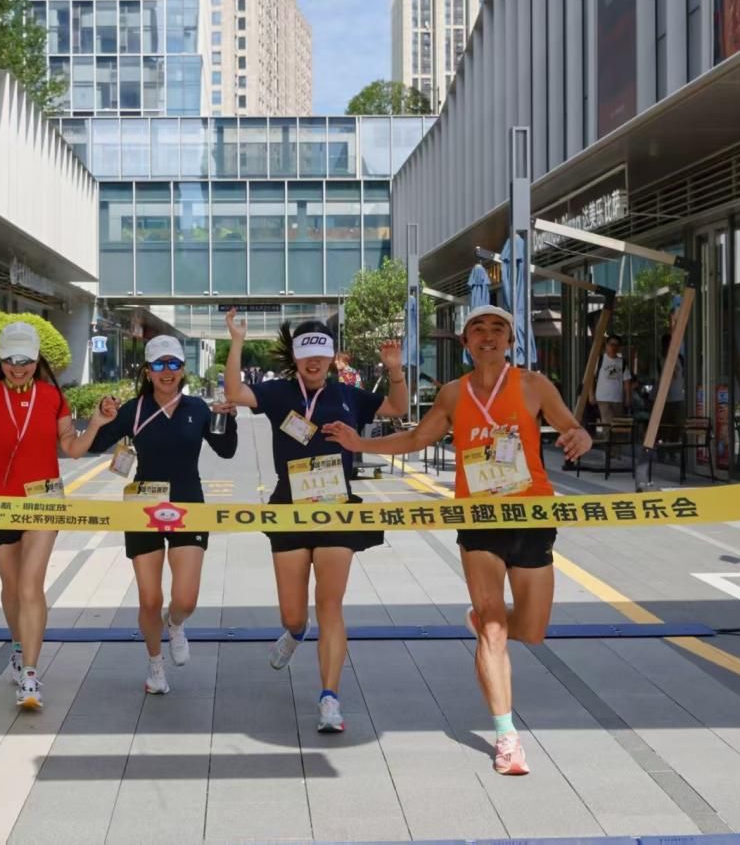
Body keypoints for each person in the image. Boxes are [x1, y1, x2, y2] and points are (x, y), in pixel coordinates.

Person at [323, 305, 591, 775]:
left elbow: (571, 427)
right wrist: (361, 445)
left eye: (497, 329)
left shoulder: (534, 385)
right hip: (478, 517)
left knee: (532, 631)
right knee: (493, 629)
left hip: (531, 516)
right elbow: (416, 439)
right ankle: (507, 736)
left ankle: (485, 621)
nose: (488, 336)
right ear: (465, 342)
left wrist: (580, 438)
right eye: (478, 329)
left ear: (510, 340)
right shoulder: (453, 393)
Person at [222, 309, 406, 733]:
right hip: (288, 509)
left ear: (331, 357)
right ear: (296, 357)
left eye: (321, 352)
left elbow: (397, 407)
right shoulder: (278, 393)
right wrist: (236, 342)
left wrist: (395, 370)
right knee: (293, 614)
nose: (314, 360)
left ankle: (329, 697)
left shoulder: (348, 395)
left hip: (336, 510)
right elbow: (234, 391)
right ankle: (294, 634)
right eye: (306, 352)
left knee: (330, 604)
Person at [0, 322, 119, 710]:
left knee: (31, 586)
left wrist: (96, 423)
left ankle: (30, 674)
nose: (17, 367)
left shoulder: (52, 396)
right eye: (10, 359)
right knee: (12, 587)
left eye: (25, 360)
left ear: (36, 359)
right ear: (0, 359)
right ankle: (18, 646)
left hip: (44, 501)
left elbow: (72, 448)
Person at [88, 336, 238, 694]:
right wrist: (101, 416)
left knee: (185, 599)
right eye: (159, 364)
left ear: (183, 369)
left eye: (173, 364)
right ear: (148, 371)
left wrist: (228, 419)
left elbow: (227, 451)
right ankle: (156, 666)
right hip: (144, 508)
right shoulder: (134, 410)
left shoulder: (198, 408)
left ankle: (175, 623)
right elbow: (94, 445)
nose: (166, 371)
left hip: (188, 505)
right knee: (150, 599)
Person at [592, 335, 631, 425]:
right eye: (611, 344)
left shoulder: (622, 362)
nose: (614, 347)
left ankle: (612, 435)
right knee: (607, 423)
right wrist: (591, 395)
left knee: (617, 424)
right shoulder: (599, 360)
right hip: (603, 398)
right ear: (606, 345)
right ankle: (606, 434)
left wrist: (628, 397)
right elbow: (591, 378)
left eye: (616, 345)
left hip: (618, 399)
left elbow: (627, 381)